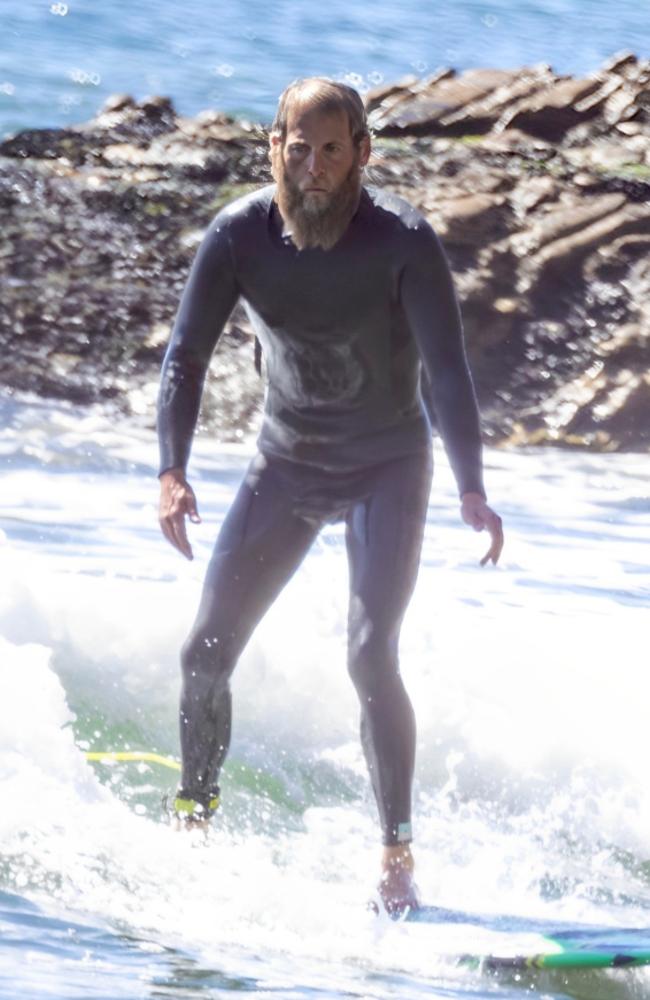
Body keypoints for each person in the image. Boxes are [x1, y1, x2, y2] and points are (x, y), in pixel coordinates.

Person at [157, 77, 503, 916]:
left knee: (367, 651)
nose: (312, 167)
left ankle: (396, 855)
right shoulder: (237, 236)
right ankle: (196, 819)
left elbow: (449, 374)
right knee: (204, 652)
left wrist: (471, 485)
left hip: (387, 464)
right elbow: (186, 358)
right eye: (297, 148)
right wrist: (171, 471)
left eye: (332, 150)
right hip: (285, 464)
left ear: (362, 155)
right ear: (272, 147)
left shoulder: (403, 244)